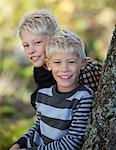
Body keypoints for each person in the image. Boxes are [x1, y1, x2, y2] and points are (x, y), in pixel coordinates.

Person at [9, 8, 102, 149]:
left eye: (37, 43)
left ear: (54, 38)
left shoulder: (78, 71)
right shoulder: (40, 70)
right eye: (26, 45)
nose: (31, 50)